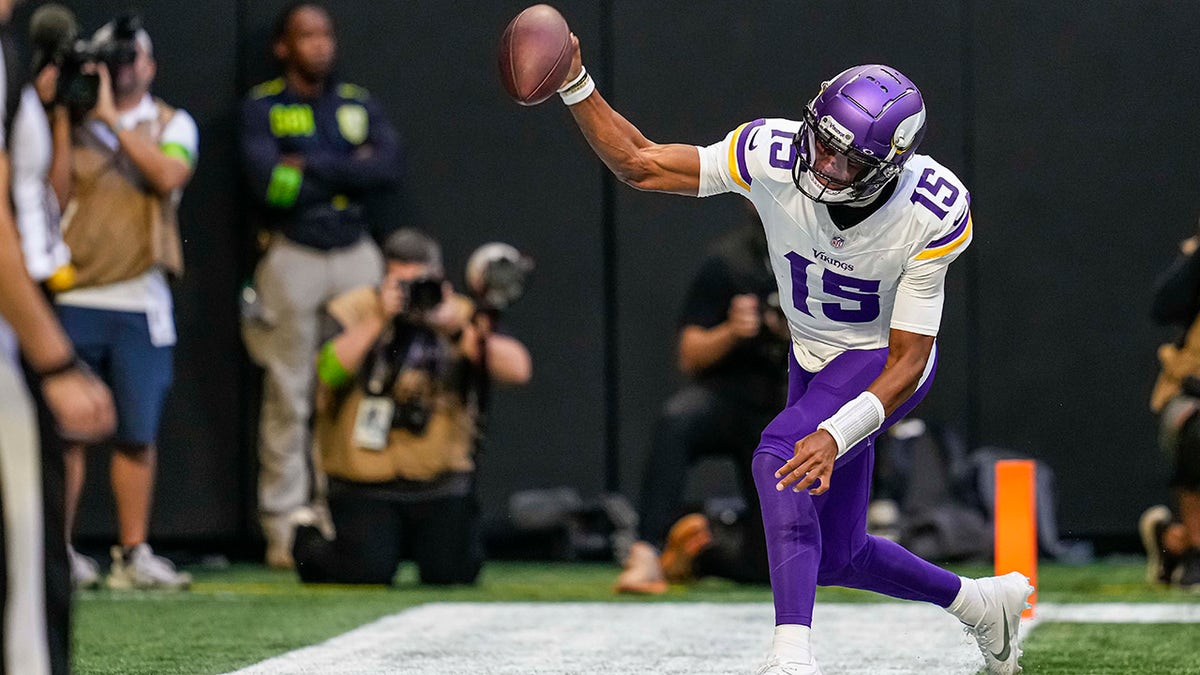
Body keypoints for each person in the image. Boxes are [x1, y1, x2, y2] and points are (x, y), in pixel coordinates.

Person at [537, 36, 1034, 674]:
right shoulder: (771, 154)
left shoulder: (928, 210)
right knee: (838, 556)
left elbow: (911, 359)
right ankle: (980, 604)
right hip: (811, 357)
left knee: (779, 454)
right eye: (822, 142)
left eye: (847, 160)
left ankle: (791, 657)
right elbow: (641, 164)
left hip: (881, 358)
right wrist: (576, 81)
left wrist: (837, 430)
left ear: (889, 166)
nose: (824, 165)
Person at [240, 1, 403, 568]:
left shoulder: (357, 103)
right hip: (293, 252)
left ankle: (342, 515)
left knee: (354, 388)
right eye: (305, 36)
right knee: (289, 391)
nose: (319, 45)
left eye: (325, 34)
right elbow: (269, 187)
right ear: (284, 46)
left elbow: (385, 170)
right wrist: (343, 168)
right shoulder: (264, 107)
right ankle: (284, 526)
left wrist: (307, 164)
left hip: (357, 254)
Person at [291, 228, 531, 585]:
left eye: (420, 283)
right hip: (366, 481)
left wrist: (454, 329)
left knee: (454, 572)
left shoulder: (460, 314)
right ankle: (307, 536)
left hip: (440, 482)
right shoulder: (354, 308)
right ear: (384, 279)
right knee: (365, 572)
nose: (412, 295)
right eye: (400, 284)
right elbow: (327, 370)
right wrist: (379, 320)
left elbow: (518, 369)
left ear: (437, 276)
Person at [55, 16, 197, 590]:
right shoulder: (68, 120)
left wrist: (113, 122)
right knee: (67, 434)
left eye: (131, 56)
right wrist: (70, 118)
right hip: (75, 291)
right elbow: (51, 193)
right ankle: (58, 550)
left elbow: (168, 175)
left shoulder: (171, 122)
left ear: (150, 65)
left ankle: (132, 552)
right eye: (112, 56)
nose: (122, 66)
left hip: (141, 298)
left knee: (137, 431)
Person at [0, 2, 115, 672]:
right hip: (10, 330)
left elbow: (45, 193)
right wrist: (56, 360)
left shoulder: (18, 62)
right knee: (25, 599)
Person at [616, 211, 786, 594]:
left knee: (770, 571)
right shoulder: (730, 261)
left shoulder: (827, 255)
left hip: (787, 403)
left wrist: (795, 330)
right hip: (731, 392)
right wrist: (732, 331)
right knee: (677, 420)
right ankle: (645, 552)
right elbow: (689, 355)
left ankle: (698, 553)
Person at [1145, 225, 1200, 588]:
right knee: (1196, 431)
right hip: (1193, 394)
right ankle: (1194, 548)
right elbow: (1163, 306)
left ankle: (1170, 540)